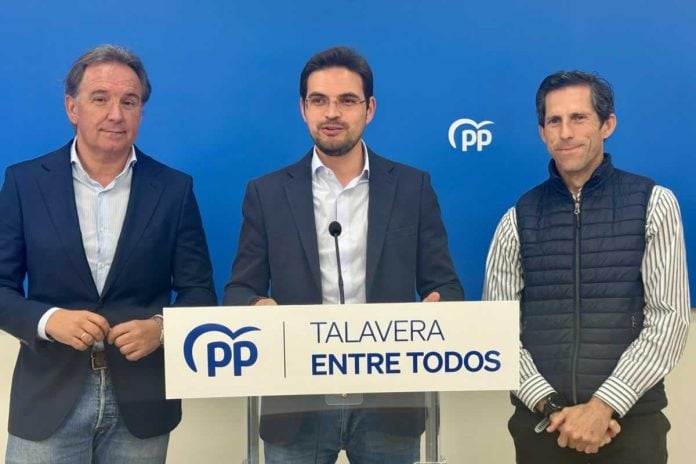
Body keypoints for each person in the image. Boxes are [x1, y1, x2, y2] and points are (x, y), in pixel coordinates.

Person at [224, 46, 464, 464]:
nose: (332, 113)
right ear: (303, 109)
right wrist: (257, 306)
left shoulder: (412, 188)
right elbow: (239, 290)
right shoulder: (267, 193)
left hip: (389, 402)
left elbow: (445, 285)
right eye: (319, 100)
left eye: (347, 100)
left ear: (369, 109)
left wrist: (437, 308)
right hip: (295, 400)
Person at [0, 45, 217, 463]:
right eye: (100, 99)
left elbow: (199, 292)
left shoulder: (174, 190)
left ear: (141, 112)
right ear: (72, 107)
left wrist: (161, 329)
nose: (116, 114)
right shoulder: (25, 184)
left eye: (129, 102)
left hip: (143, 401)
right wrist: (48, 320)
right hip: (48, 396)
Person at [483, 70, 690, 463]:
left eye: (578, 118)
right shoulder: (517, 219)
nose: (565, 133)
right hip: (545, 429)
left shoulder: (654, 204)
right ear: (542, 132)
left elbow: (669, 320)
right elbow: (499, 331)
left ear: (607, 125)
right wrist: (551, 407)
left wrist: (603, 406)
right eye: (554, 121)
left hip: (631, 428)